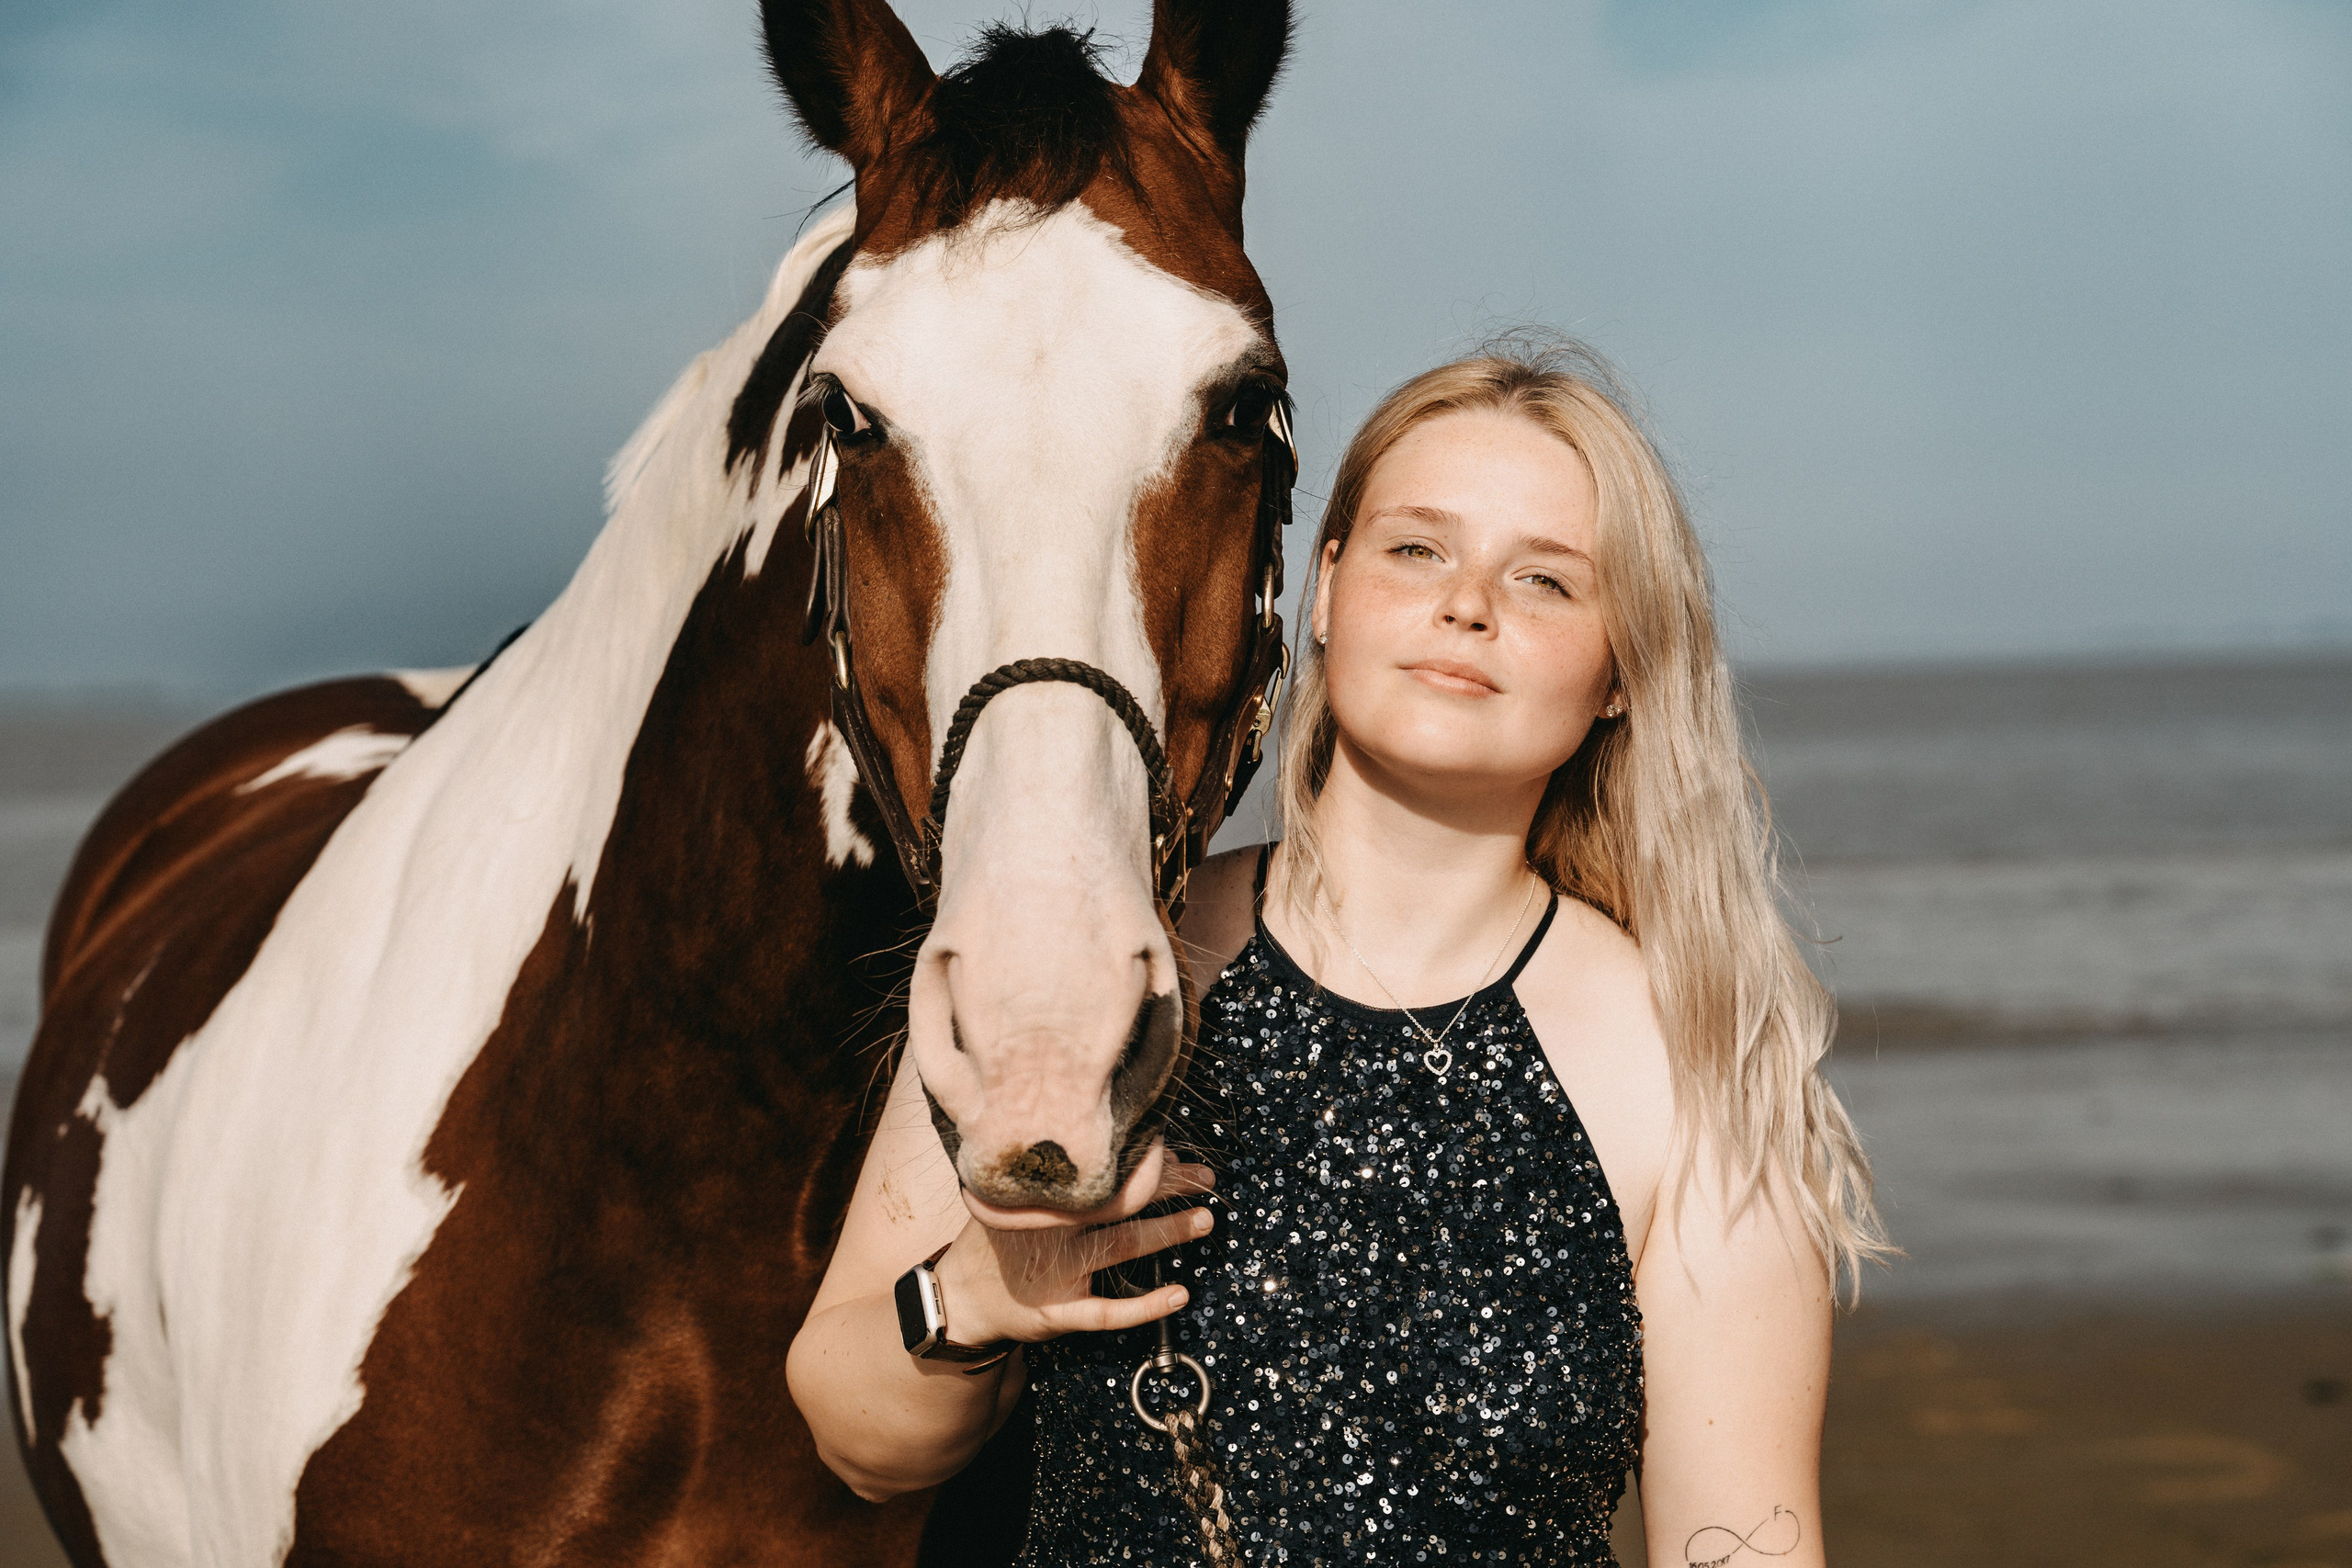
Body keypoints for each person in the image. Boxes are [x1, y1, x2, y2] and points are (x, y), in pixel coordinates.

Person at [786, 335, 1885, 1566]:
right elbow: (852, 1428)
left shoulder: (1688, 1066)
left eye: (1546, 582)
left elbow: (1739, 1545)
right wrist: (977, 1295)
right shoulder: (1095, 968)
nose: (1467, 604)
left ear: (1621, 672)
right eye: (1419, 549)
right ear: (1321, 588)